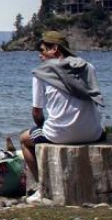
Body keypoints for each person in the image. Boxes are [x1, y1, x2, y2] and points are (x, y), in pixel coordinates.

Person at [21, 31, 105, 202]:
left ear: (55, 49)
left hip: (60, 135)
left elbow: (37, 112)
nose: (40, 55)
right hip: (93, 132)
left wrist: (43, 126)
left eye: (43, 50)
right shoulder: (88, 67)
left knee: (24, 140)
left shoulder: (42, 73)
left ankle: (43, 187)